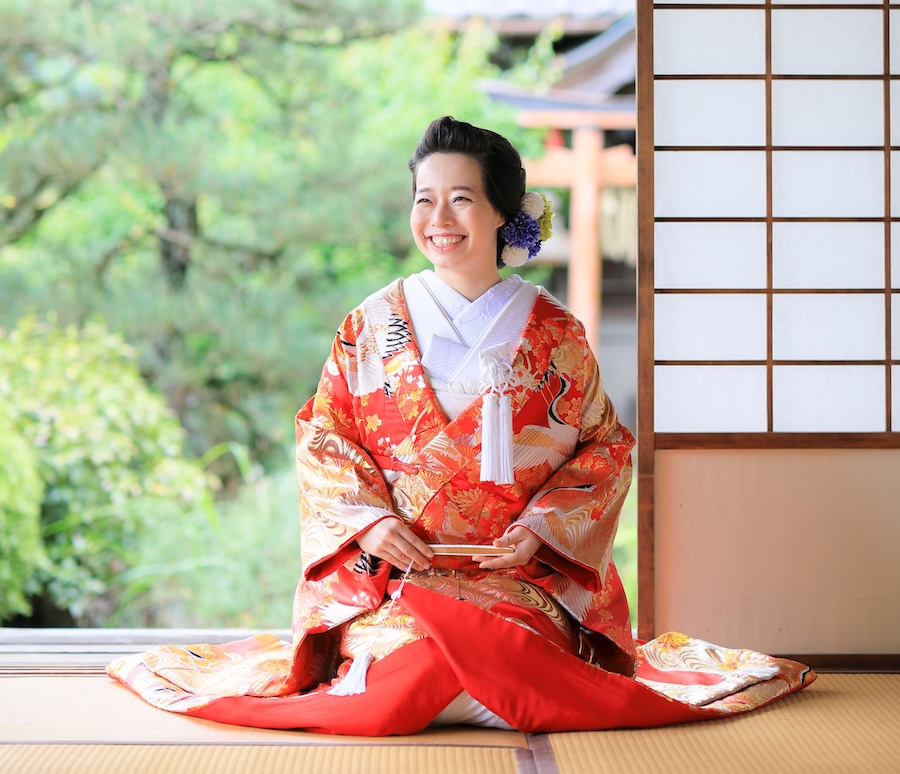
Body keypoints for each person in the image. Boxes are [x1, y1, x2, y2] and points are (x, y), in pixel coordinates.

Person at [108, 116, 813, 734]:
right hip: (396, 579)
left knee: (493, 660)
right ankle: (453, 686)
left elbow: (604, 447)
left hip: (513, 579)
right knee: (422, 674)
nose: (438, 217)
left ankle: (468, 684)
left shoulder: (554, 332)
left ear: (504, 211)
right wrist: (366, 522)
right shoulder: (369, 324)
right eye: (424, 199)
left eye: (461, 198)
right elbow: (325, 436)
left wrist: (538, 529)